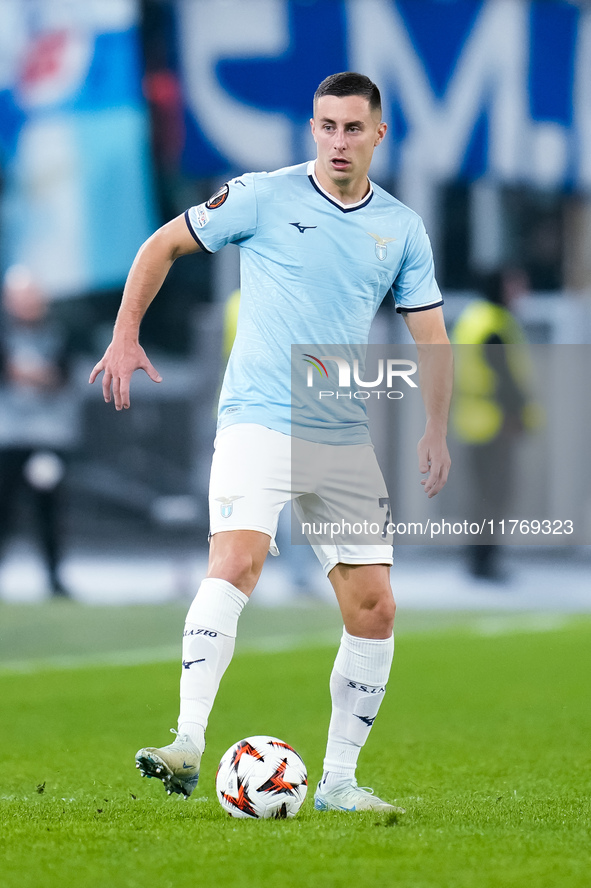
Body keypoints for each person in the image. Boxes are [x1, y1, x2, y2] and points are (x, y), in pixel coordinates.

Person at [90, 72, 452, 812]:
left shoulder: (401, 228)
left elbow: (431, 335)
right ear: (311, 129)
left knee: (375, 607)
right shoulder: (260, 194)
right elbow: (161, 245)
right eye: (326, 126)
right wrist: (125, 335)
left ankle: (340, 783)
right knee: (239, 557)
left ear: (378, 135)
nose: (338, 141)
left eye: (353, 128)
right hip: (258, 416)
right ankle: (187, 742)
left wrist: (436, 428)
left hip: (341, 432)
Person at [452, 269, 536, 582]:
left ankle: (479, 559)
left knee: (482, 496)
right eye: (516, 284)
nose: (522, 291)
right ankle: (483, 561)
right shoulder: (494, 324)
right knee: (493, 497)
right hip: (494, 422)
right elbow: (504, 375)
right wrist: (517, 413)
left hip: (475, 420)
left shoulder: (475, 319)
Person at [0, 265, 76, 599]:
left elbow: (60, 376)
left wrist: (27, 374)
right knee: (4, 508)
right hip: (9, 436)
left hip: (48, 436)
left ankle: (55, 578)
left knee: (49, 510)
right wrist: (35, 375)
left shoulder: (60, 333)